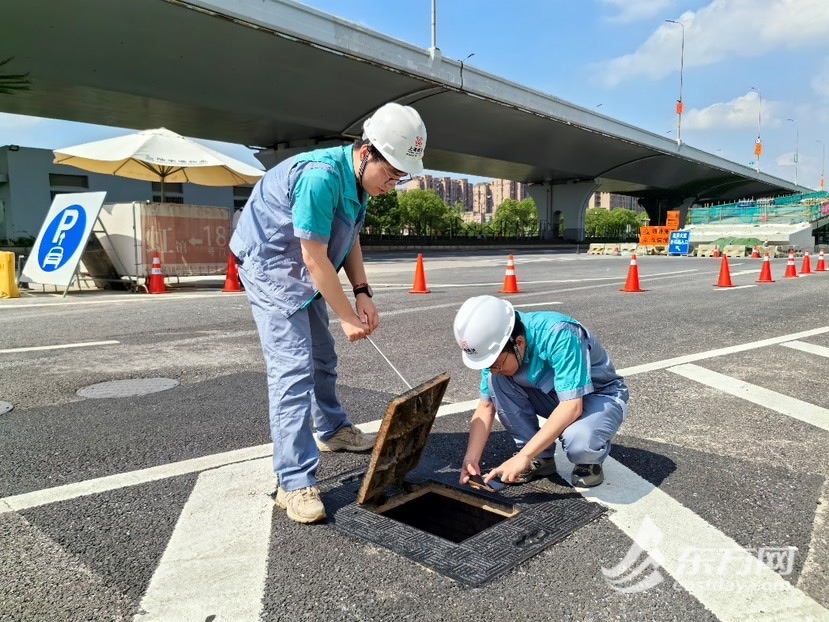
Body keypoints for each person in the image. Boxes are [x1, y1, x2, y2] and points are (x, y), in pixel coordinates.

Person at [230, 103, 427, 524]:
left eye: (400, 177)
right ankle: (294, 482)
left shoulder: (361, 184)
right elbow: (314, 257)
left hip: (305, 265)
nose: (393, 184)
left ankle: (332, 430)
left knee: (322, 356)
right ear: (367, 152)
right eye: (390, 173)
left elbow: (349, 237)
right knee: (292, 368)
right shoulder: (320, 177)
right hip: (272, 266)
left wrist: (362, 292)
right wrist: (347, 317)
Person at [452, 295, 629, 489]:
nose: (493, 369)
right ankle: (540, 458)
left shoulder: (559, 333)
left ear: (518, 343)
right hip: (556, 396)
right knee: (496, 381)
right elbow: (485, 407)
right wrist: (471, 459)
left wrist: (523, 456)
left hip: (598, 396)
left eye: (496, 364)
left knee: (579, 444)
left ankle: (589, 461)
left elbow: (572, 406)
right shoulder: (498, 346)